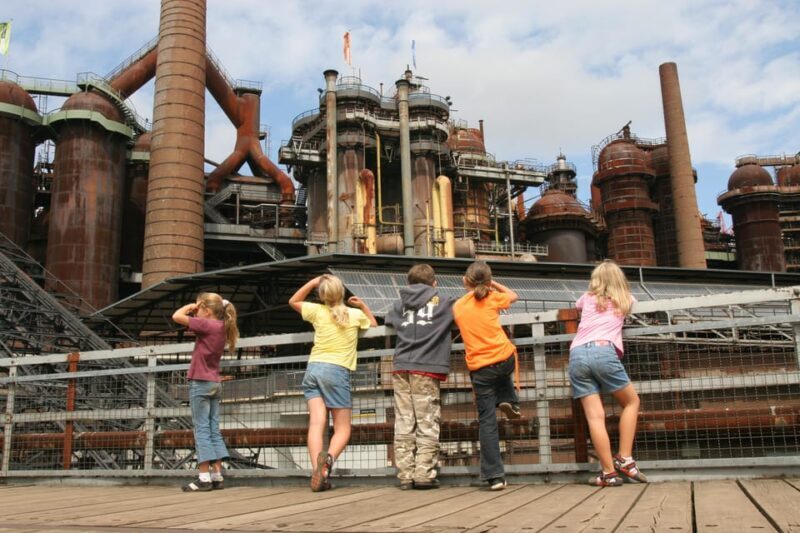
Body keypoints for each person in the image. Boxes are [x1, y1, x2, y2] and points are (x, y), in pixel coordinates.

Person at [289, 274, 377, 492]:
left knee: (317, 424)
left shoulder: (317, 311)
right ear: (342, 293)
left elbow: (293, 301)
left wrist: (312, 281)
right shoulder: (354, 314)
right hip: (336, 371)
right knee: (343, 428)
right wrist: (364, 306)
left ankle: (317, 472)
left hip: (313, 368)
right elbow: (374, 326)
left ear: (322, 294)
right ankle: (326, 464)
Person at [569, 260, 648, 487]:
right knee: (632, 402)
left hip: (577, 354)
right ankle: (625, 458)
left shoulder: (586, 298)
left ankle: (608, 473)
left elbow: (577, 306)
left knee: (595, 417)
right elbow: (633, 303)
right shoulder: (626, 299)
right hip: (603, 351)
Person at [384, 264, 455, 490]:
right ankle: (424, 473)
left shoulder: (398, 305)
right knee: (427, 421)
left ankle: (405, 474)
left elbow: (387, 321)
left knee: (404, 420)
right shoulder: (444, 303)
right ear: (434, 283)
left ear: (409, 283)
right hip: (426, 368)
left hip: (401, 367)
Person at [452, 261, 520, 491]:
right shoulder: (493, 298)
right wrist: (493, 284)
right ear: (488, 281)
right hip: (503, 360)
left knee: (487, 423)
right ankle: (510, 401)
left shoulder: (459, 306)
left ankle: (495, 477)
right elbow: (514, 295)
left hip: (480, 369)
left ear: (465, 281)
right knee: (505, 361)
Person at [172, 292, 239, 492]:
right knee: (212, 428)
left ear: (207, 311)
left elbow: (176, 316)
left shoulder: (207, 325)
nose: (196, 311)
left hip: (200, 383)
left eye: (200, 309)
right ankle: (217, 475)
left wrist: (190, 307)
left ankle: (203, 477)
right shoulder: (221, 327)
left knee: (201, 429)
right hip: (214, 382)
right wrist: (200, 306)